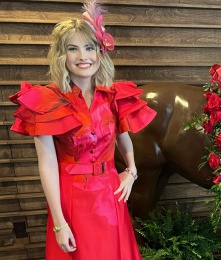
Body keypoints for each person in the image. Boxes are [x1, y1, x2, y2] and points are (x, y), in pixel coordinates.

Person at [9, 1, 156, 259]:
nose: (82, 56)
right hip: (72, 197)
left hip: (110, 194)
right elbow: (47, 165)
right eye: (72, 49)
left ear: (100, 52)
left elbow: (123, 137)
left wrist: (131, 172)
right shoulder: (45, 100)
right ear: (61, 55)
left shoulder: (113, 96)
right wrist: (59, 222)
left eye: (89, 48)